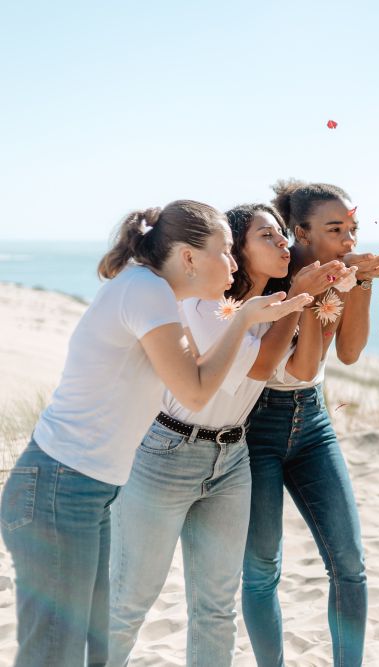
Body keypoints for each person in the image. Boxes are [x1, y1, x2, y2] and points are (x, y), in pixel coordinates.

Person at [0, 200, 311, 667]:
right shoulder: (146, 292)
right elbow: (197, 390)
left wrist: (249, 318)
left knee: (92, 641)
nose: (232, 264)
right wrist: (245, 320)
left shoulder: (154, 292)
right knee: (56, 652)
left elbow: (199, 375)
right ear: (188, 257)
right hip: (58, 487)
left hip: (84, 487)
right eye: (225, 252)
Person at [108, 203, 347, 666]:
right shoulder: (204, 305)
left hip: (232, 455)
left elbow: (300, 368)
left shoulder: (266, 309)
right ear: (236, 248)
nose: (283, 243)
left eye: (282, 234)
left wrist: (315, 301)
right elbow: (257, 366)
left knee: (217, 609)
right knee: (128, 602)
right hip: (167, 453)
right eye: (266, 236)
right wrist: (297, 297)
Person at [241, 180, 379, 666]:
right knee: (262, 567)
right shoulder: (272, 276)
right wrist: (319, 287)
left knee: (349, 565)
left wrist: (361, 282)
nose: (349, 241)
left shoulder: (344, 272)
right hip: (256, 428)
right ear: (300, 233)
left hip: (312, 421)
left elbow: (350, 353)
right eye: (336, 230)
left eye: (352, 229)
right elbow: (301, 366)